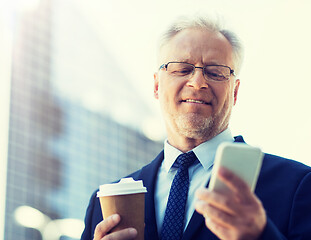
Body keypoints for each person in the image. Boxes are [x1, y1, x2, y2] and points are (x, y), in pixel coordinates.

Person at [81, 15, 311, 240]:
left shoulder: (298, 186)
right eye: (182, 69)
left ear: (235, 92)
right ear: (156, 85)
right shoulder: (102, 206)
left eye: (215, 72)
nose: (198, 82)